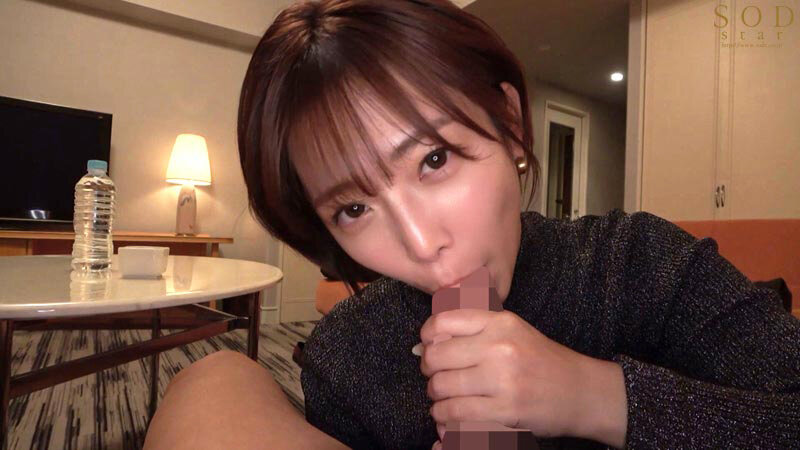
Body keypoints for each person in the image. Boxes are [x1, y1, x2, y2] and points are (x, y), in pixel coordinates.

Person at [149, 0, 800, 449]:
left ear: (510, 125)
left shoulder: (641, 263)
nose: (421, 243)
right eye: (354, 209)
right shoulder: (347, 356)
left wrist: (598, 397)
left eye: (435, 160)